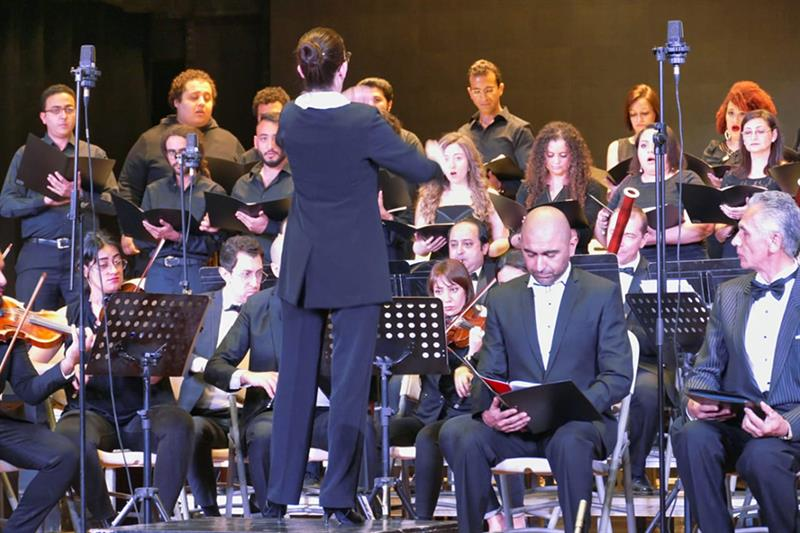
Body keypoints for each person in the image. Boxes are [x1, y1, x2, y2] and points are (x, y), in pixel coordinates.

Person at [263, 27, 442, 525]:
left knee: (295, 381)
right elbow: (414, 167)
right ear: (343, 68)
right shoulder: (364, 120)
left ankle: (278, 494)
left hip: (304, 261)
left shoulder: (289, 118)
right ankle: (337, 499)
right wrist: (433, 158)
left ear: (300, 69)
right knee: (348, 386)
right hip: (355, 264)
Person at [439, 206, 632, 533]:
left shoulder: (601, 293)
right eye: (530, 254)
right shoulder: (503, 298)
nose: (540, 265)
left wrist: (573, 405)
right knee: (457, 432)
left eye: (549, 254)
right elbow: (490, 371)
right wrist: (488, 413)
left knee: (570, 441)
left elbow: (617, 376)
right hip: (519, 424)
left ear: (572, 244)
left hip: (578, 423)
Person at [34, 231, 194, 525]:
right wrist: (68, 365)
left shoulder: (144, 308)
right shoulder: (70, 315)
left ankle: (154, 521)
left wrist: (141, 355)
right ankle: (105, 522)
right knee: (69, 438)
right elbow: (34, 367)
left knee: (179, 423)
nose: (114, 270)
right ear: (85, 269)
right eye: (103, 264)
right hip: (93, 412)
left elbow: (155, 378)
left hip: (141, 411)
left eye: (118, 262)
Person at [672, 191, 800, 532]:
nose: (734, 241)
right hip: (737, 422)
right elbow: (706, 369)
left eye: (744, 232)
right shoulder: (729, 293)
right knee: (691, 435)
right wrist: (696, 402)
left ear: (774, 241)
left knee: (763, 457)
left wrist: (785, 425)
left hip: (791, 427)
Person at [387, 259, 522, 528]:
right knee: (375, 430)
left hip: (463, 414)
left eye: (453, 290)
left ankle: (423, 521)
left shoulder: (480, 327)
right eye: (439, 291)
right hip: (427, 413)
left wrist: (470, 357)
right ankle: (365, 505)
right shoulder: (427, 330)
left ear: (467, 291)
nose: (446, 300)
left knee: (430, 438)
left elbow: (493, 373)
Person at [0, 83, 117, 310]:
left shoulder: (93, 153)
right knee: (32, 324)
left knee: (88, 322)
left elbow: (113, 204)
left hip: (83, 255)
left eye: (69, 109)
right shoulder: (26, 153)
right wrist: (44, 201)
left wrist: (79, 195)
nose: (63, 115)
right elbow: (6, 204)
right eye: (55, 110)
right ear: (43, 117)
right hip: (39, 254)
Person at [177, 235, 265, 517]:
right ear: (224, 274)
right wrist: (205, 365)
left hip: (252, 411)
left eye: (260, 274)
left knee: (268, 432)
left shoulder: (270, 308)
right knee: (192, 430)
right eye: (246, 274)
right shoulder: (201, 306)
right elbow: (176, 351)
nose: (255, 283)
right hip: (208, 412)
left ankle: (263, 508)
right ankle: (209, 513)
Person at [0, 252, 83, 532]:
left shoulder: (7, 326)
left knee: (63, 454)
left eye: (3, 270)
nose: (3, 280)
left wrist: (67, 364)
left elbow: (29, 390)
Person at [595, 124, 714, 261]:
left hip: (682, 262)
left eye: (657, 144)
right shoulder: (627, 183)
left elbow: (704, 227)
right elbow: (607, 242)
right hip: (636, 266)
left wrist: (656, 237)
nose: (650, 150)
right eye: (643, 146)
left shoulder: (687, 178)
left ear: (671, 150)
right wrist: (600, 224)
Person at [605, 206, 660, 495]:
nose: (618, 241)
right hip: (598, 362)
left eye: (627, 235)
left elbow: (662, 338)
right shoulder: (587, 272)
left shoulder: (657, 274)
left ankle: (635, 472)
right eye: (614, 233)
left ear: (643, 239)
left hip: (644, 363)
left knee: (648, 393)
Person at [133, 125, 226, 294]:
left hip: (194, 270)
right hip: (159, 272)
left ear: (196, 153)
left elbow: (215, 244)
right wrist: (153, 235)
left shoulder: (213, 191)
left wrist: (176, 236)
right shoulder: (154, 190)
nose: (178, 158)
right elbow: (140, 240)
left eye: (183, 151)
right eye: (172, 152)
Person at [413, 132, 508, 258]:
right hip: (441, 266)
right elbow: (418, 246)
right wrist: (424, 247)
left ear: (469, 164)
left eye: (458, 158)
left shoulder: (488, 195)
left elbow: (502, 239)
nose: (452, 165)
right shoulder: (428, 197)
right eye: (446, 158)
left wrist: (487, 250)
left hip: (479, 266)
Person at [517, 121, 607, 254]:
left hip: (575, 257)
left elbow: (586, 232)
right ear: (541, 156)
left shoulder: (590, 187)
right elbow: (516, 231)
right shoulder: (528, 187)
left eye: (563, 155)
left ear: (574, 156)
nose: (556, 161)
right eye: (550, 155)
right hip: (535, 257)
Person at [712, 110, 784, 258]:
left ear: (774, 135)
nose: (753, 137)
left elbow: (792, 224)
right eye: (748, 132)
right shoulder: (731, 177)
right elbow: (719, 235)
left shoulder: (785, 175)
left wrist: (751, 213)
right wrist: (733, 221)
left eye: (760, 131)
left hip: (771, 254)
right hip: (735, 253)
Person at [457, 59, 534, 198]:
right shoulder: (463, 134)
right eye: (477, 91)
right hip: (470, 205)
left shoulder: (519, 130)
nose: (483, 97)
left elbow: (533, 181)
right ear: (470, 93)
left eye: (489, 90)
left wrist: (500, 187)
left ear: (500, 89)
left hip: (508, 206)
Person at [226, 113, 293, 262]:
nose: (270, 146)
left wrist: (269, 227)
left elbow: (313, 230)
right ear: (256, 143)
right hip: (248, 270)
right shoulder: (243, 184)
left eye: (276, 138)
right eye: (264, 138)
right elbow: (231, 234)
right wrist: (215, 228)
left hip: (286, 269)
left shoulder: (302, 182)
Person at [702, 80, 777, 168]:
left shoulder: (765, 152)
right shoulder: (713, 151)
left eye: (742, 114)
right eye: (731, 113)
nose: (735, 120)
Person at [605, 84, 659, 170]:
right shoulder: (616, 148)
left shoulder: (667, 146)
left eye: (644, 113)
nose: (639, 120)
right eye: (633, 114)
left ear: (655, 113)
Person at [239, 86, 291, 165]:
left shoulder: (302, 156)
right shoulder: (247, 160)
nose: (269, 123)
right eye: (264, 118)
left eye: (275, 116)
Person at [448, 218, 495, 298]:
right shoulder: (439, 277)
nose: (459, 251)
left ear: (484, 248)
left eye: (467, 244)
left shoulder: (497, 277)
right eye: (454, 245)